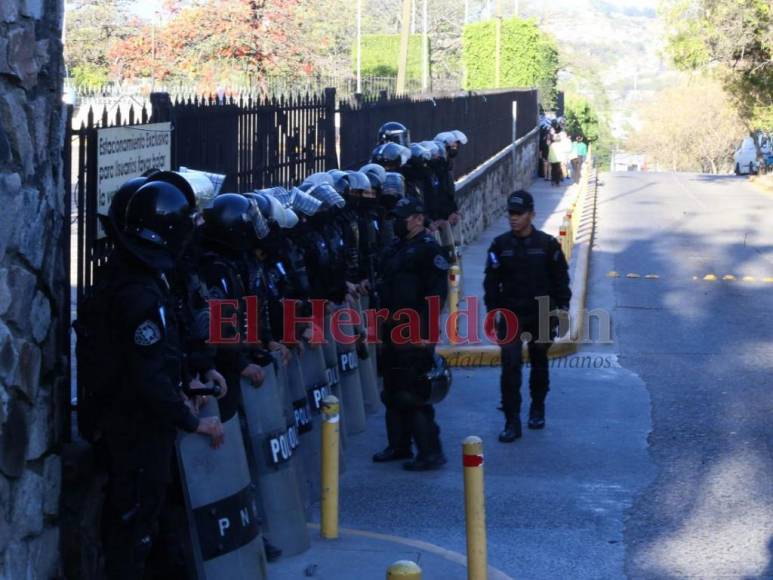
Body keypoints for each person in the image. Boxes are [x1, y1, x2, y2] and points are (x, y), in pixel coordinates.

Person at [99, 180, 225, 580]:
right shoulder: (137, 293)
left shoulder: (150, 277)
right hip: (134, 430)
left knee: (152, 523)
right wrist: (192, 421)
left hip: (148, 425)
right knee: (133, 529)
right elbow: (147, 376)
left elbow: (170, 346)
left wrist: (194, 375)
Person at [483, 191, 571, 443]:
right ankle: (512, 420)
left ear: (532, 214)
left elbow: (560, 279)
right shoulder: (500, 246)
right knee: (510, 367)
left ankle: (537, 408)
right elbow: (491, 282)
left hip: (541, 313)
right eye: (510, 213)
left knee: (539, 361)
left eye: (519, 214)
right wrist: (493, 312)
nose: (513, 218)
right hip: (510, 315)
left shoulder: (547, 245)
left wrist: (561, 308)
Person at [373, 197, 449, 471]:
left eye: (402, 218)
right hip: (391, 329)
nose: (396, 223)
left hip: (415, 332)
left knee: (414, 393)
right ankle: (399, 445)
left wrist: (426, 334)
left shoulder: (429, 250)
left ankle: (430, 452)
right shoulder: (396, 248)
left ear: (418, 219)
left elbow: (436, 294)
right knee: (392, 390)